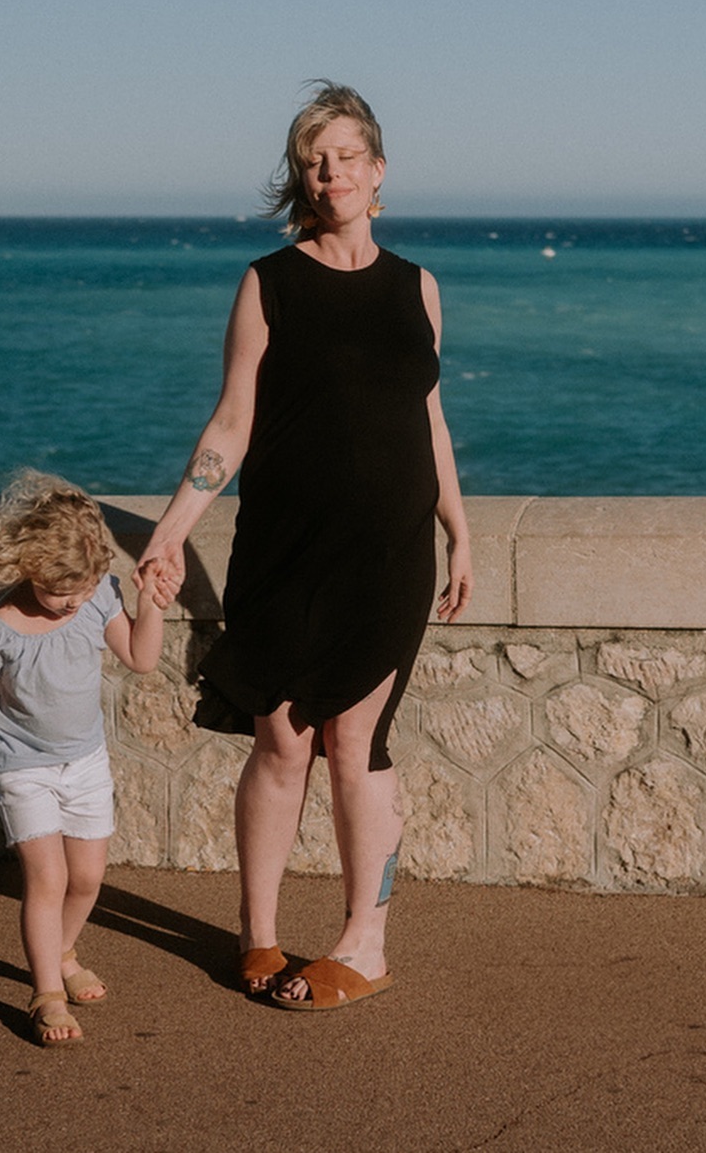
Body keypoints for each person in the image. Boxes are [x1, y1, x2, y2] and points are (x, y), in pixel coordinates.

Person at [138, 81, 472, 1011]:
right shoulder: (269, 281)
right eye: (314, 159)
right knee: (281, 738)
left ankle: (365, 941)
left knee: (356, 735)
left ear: (378, 169)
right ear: (303, 176)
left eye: (346, 156)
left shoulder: (418, 286)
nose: (331, 173)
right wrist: (170, 532)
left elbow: (430, 416)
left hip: (390, 550)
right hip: (284, 546)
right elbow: (231, 421)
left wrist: (460, 529)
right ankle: (259, 934)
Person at [0, 470, 177, 1047]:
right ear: (29, 570)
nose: (73, 603)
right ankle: (46, 991)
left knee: (88, 877)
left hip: (85, 762)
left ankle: (65, 951)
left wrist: (150, 604)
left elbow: (141, 657)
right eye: (61, 593)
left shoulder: (96, 594)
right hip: (22, 767)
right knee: (48, 880)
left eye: (83, 590)